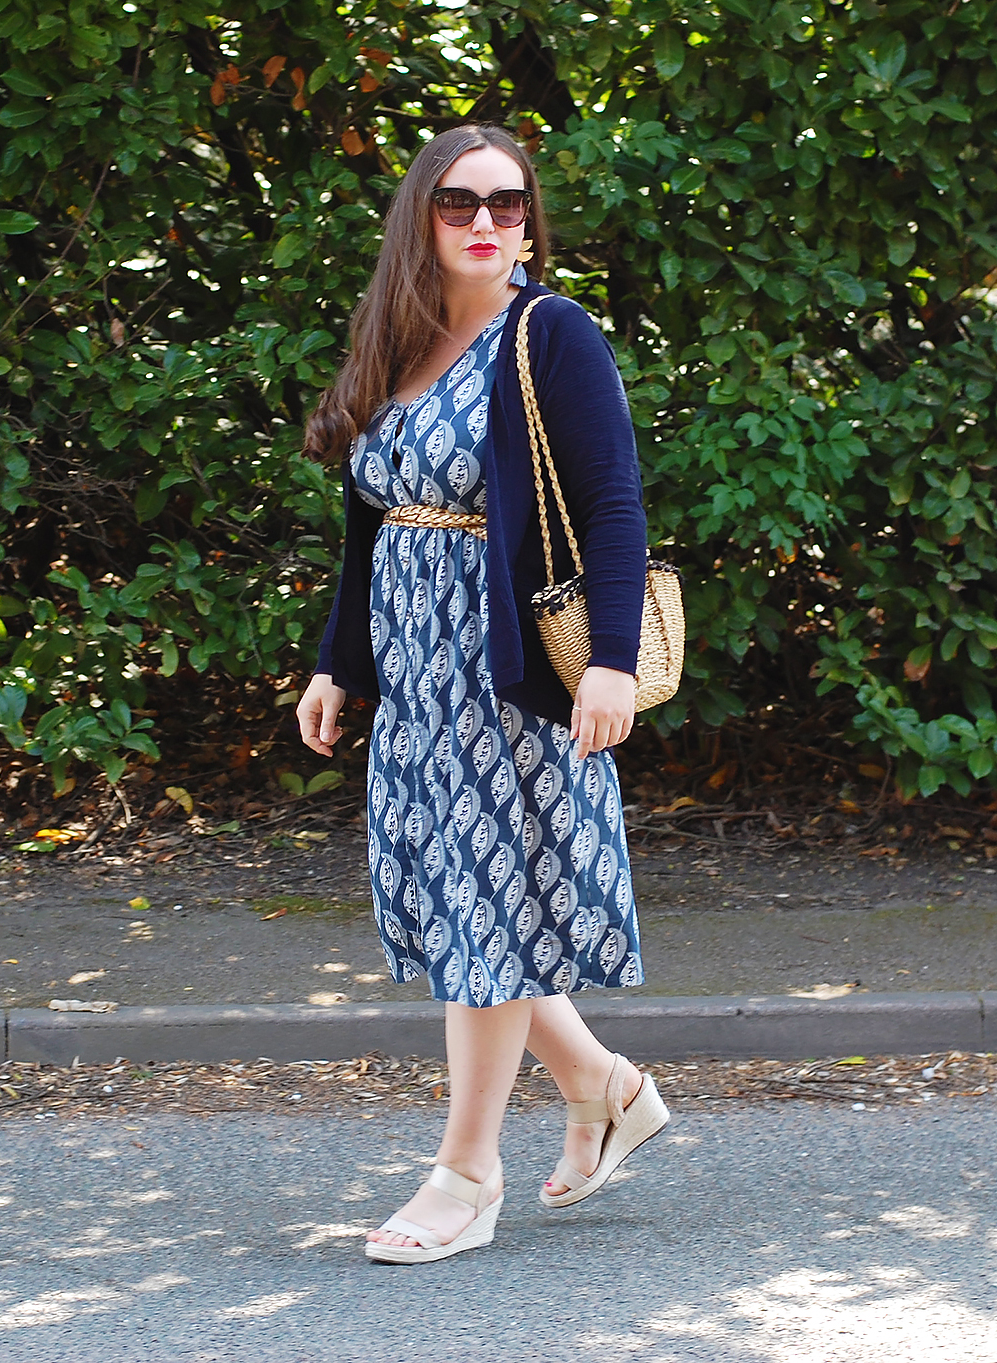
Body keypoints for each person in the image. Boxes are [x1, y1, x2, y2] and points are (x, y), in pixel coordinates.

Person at [297, 124, 668, 1265]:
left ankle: (467, 1173)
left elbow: (612, 505)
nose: (487, 225)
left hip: (503, 677)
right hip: (416, 679)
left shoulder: (550, 334)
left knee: (487, 915)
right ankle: (605, 1088)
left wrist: (610, 658)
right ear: (422, 215)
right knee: (475, 912)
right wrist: (336, 661)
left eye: (509, 207)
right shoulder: (397, 339)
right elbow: (370, 528)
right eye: (461, 204)